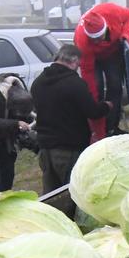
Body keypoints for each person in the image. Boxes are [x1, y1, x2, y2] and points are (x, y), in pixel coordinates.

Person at [30, 44, 107, 216]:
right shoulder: (74, 84)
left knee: (50, 194)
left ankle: (51, 223)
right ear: (73, 61)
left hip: (45, 148)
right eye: (78, 65)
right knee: (72, 192)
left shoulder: (38, 82)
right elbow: (92, 112)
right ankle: (72, 225)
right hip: (68, 148)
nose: (78, 68)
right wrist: (106, 106)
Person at [72, 2, 129, 137]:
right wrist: (95, 109)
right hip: (92, 59)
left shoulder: (110, 11)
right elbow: (89, 79)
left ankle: (112, 127)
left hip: (112, 54)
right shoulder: (83, 42)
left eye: (99, 38)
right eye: (93, 39)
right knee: (97, 89)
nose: (97, 42)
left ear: (105, 28)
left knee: (115, 86)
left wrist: (125, 35)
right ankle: (99, 129)